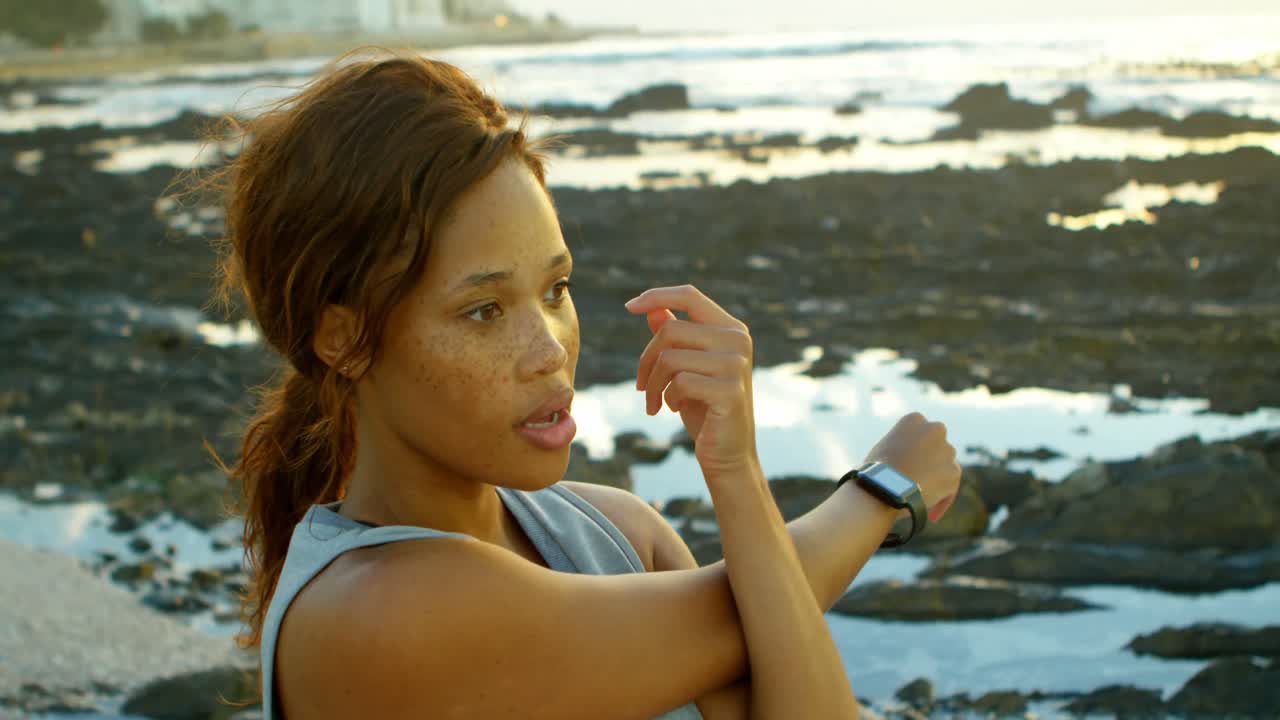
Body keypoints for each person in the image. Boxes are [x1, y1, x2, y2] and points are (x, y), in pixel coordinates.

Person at [205, 48, 961, 719]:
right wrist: (880, 494)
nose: (548, 351)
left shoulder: (616, 530)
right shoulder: (368, 615)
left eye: (556, 290)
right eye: (483, 310)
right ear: (342, 338)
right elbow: (750, 617)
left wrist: (734, 471)